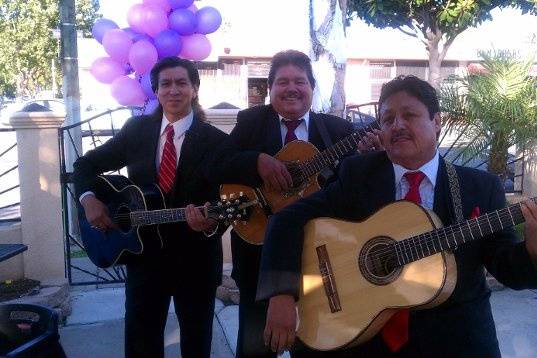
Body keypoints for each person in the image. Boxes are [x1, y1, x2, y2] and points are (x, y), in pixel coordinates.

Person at [257, 75, 537, 357]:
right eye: (387, 118)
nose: (397, 125)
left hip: (455, 340)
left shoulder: (480, 186)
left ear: (437, 122)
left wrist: (532, 253)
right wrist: (281, 293)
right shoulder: (358, 174)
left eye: (409, 115)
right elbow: (287, 219)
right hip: (364, 339)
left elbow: (507, 268)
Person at [209, 49, 364, 357]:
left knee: (317, 346)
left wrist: (371, 156)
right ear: (270, 89)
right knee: (255, 347)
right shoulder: (251, 121)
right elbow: (217, 165)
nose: (291, 88)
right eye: (282, 82)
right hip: (260, 259)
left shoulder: (339, 131)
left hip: (321, 259)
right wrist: (257, 161)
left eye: (299, 81)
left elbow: (357, 191)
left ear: (312, 87)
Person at [73, 57, 228, 358]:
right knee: (141, 345)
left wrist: (212, 224)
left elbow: (227, 202)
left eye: (182, 83)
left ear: (194, 89)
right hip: (144, 260)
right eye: (166, 84)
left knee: (197, 346)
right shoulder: (137, 130)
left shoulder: (217, 142)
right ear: (156, 91)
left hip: (196, 260)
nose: (174, 90)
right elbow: (85, 165)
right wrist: (89, 200)